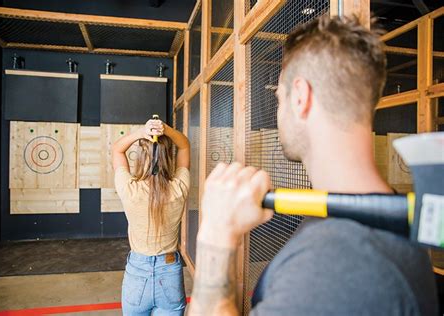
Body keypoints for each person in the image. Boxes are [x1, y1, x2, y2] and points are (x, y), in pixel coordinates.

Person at [189, 15, 438, 315]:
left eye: (280, 98)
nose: (278, 112)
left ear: (300, 98)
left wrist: (216, 233)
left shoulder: (338, 264)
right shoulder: (383, 221)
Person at [112, 118, 190, 315]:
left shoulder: (130, 189)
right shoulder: (178, 188)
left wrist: (141, 132)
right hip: (170, 271)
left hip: (137, 272)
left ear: (141, 157)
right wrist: (166, 129)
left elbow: (117, 150)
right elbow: (184, 146)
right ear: (167, 157)